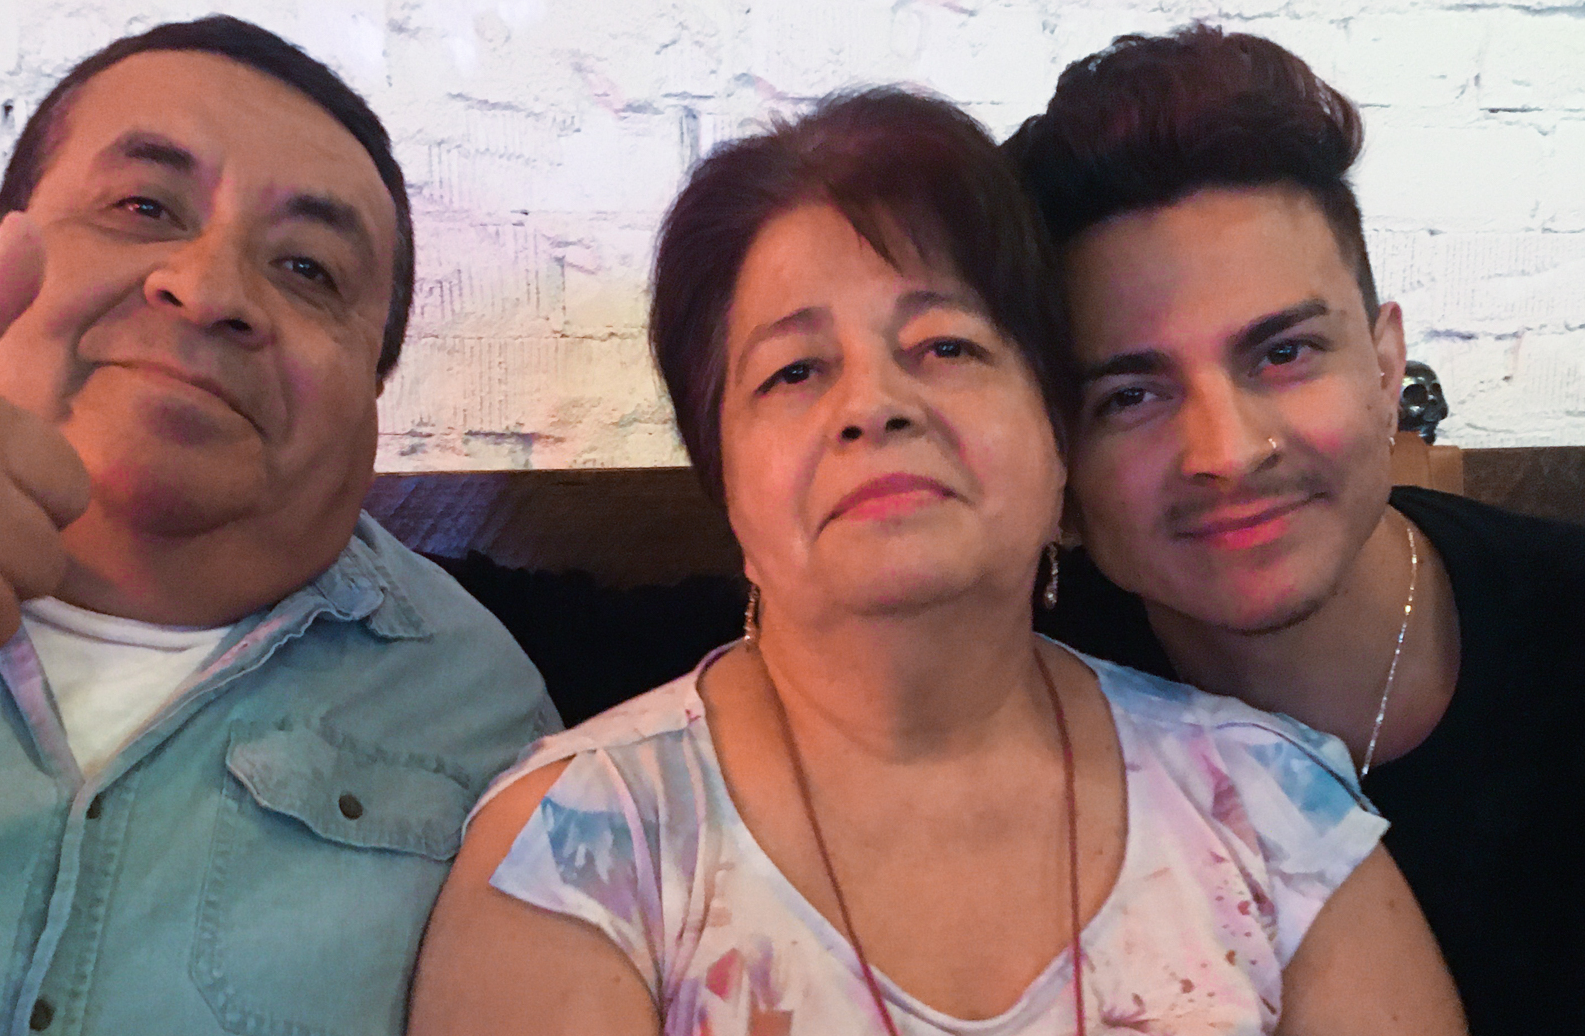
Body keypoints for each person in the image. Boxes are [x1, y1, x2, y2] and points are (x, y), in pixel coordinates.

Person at [408, 88, 1462, 1036]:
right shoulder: (579, 853)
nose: (873, 404)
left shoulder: (1273, 809)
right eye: (793, 370)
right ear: (722, 471)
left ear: (1057, 439)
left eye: (947, 346)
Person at [0, 16, 553, 1034]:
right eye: (142, 206)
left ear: (373, 389)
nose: (210, 289)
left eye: (309, 269)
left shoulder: (483, 715)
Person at [1004, 25, 1585, 1034]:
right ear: (1056, 452)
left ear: (1382, 361)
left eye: (1282, 353)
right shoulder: (1014, 698)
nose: (1225, 452)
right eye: (1131, 394)